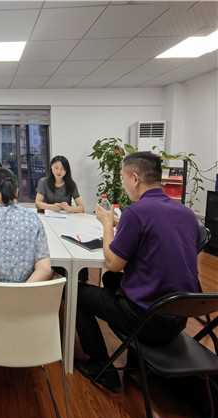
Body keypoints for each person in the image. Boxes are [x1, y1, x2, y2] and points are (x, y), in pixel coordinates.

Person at [74, 151, 200, 390]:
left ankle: (102, 366)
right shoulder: (187, 213)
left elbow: (114, 263)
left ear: (135, 179)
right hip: (177, 318)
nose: (123, 183)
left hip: (146, 320)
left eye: (123, 178)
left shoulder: (136, 211)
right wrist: (121, 224)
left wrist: (107, 225)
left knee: (76, 293)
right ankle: (135, 362)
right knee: (111, 280)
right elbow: (163, 249)